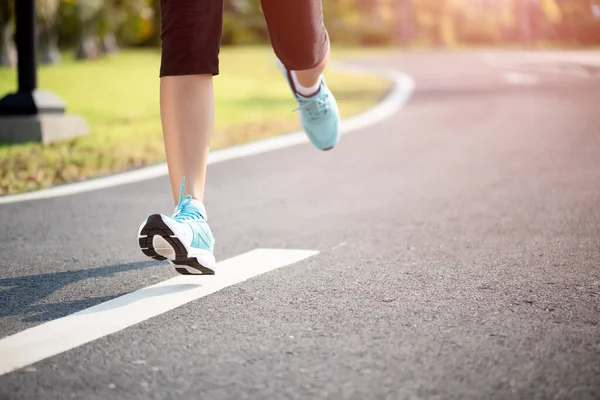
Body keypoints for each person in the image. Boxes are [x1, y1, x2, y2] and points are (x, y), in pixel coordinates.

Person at [137, 0, 341, 275]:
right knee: (187, 33)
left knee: (302, 49)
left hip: (304, 58)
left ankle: (308, 87)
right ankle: (191, 215)